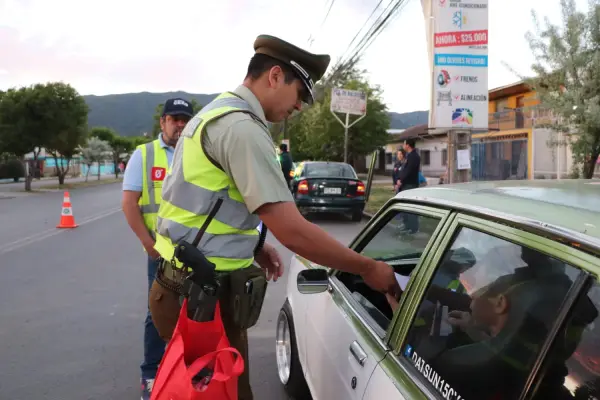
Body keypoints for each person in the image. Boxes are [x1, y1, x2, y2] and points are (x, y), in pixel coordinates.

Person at [148, 34, 401, 400]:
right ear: (276, 76)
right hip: (199, 299)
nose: (299, 107)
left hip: (190, 286)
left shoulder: (219, 112)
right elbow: (293, 231)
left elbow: (212, 204)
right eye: (300, 94)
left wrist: (254, 244)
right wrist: (366, 268)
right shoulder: (242, 128)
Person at [121, 97, 194, 400]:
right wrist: (147, 243)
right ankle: (150, 374)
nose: (180, 124)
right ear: (163, 121)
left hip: (196, 252)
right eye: (174, 118)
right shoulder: (145, 154)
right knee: (158, 313)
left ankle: (188, 370)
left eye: (185, 119)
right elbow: (129, 203)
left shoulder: (199, 152)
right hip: (162, 253)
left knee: (195, 312)